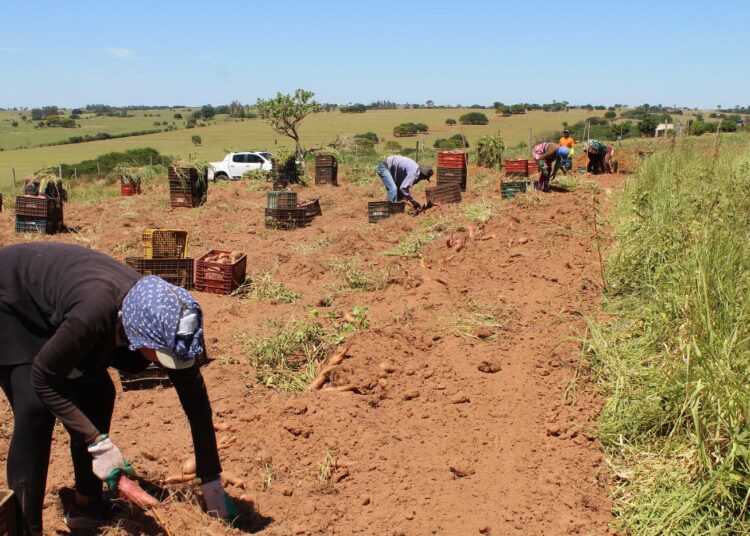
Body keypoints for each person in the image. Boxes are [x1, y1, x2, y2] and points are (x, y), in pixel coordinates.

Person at [0, 243, 239, 534]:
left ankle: (86, 505)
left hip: (60, 301)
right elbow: (43, 377)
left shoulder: (171, 319)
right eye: (163, 355)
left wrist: (211, 480)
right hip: (11, 298)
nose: (170, 365)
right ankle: (24, 528)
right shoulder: (94, 315)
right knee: (34, 408)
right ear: (141, 335)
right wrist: (98, 444)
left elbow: (196, 402)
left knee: (98, 394)